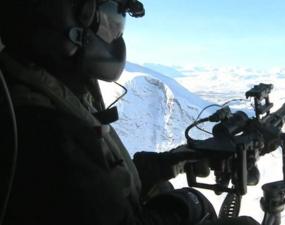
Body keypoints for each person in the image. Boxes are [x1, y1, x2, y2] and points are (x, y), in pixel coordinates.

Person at [0, 1, 260, 225]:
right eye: (112, 20)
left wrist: (175, 161)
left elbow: (98, 192)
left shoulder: (36, 90)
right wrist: (193, 204)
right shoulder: (46, 129)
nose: (117, 36)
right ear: (66, 18)